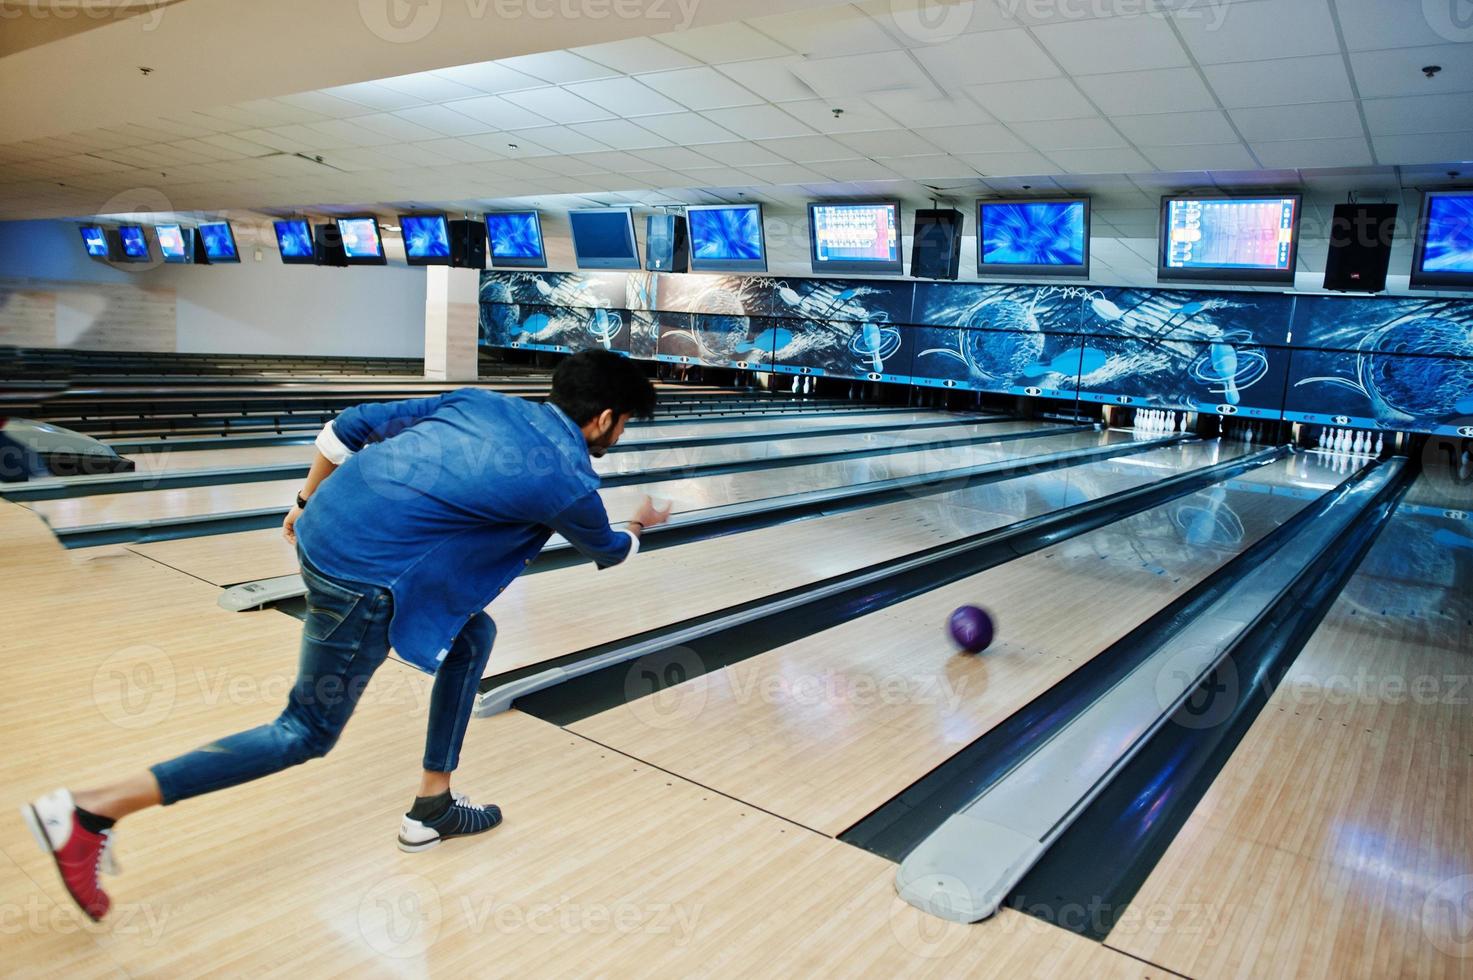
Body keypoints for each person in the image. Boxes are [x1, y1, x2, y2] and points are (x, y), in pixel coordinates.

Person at [23, 350, 672, 920]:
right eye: (623, 424)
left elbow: (345, 428)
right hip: (363, 580)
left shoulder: (479, 401)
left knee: (473, 635)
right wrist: (640, 524)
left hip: (323, 528)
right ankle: (90, 811)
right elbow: (609, 550)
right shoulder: (567, 477)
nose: (617, 435)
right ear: (603, 418)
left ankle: (434, 804)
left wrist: (304, 502)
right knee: (303, 732)